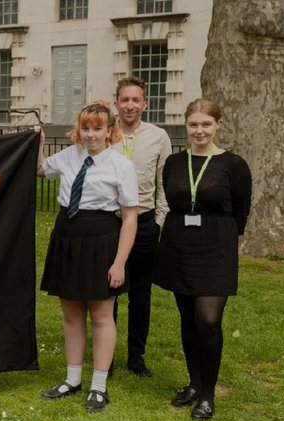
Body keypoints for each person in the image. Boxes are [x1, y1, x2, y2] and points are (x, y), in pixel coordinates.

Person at [36, 101, 138, 413]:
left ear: (110, 131)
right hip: (67, 237)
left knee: (102, 315)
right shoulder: (68, 155)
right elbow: (40, 170)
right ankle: (72, 379)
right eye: (86, 128)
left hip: (101, 240)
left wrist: (119, 262)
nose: (90, 134)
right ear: (78, 130)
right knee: (71, 313)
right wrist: (37, 143)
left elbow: (130, 217)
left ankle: (98, 386)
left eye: (97, 128)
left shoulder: (122, 165)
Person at [153, 98, 252, 420]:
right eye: (194, 124)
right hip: (179, 244)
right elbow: (171, 196)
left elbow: (241, 210)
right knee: (188, 317)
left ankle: (208, 395)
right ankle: (194, 383)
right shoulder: (174, 163)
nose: (199, 130)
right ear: (186, 125)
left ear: (218, 125)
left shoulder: (233, 164)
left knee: (208, 319)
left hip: (216, 247)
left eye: (206, 124)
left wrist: (221, 238)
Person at [110, 76, 172, 377]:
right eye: (125, 100)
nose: (130, 105)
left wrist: (159, 222)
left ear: (145, 104)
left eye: (136, 100)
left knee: (141, 294)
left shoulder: (158, 136)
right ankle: (105, 357)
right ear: (116, 103)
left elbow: (165, 183)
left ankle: (136, 355)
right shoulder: (105, 133)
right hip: (110, 224)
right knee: (107, 292)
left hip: (145, 222)